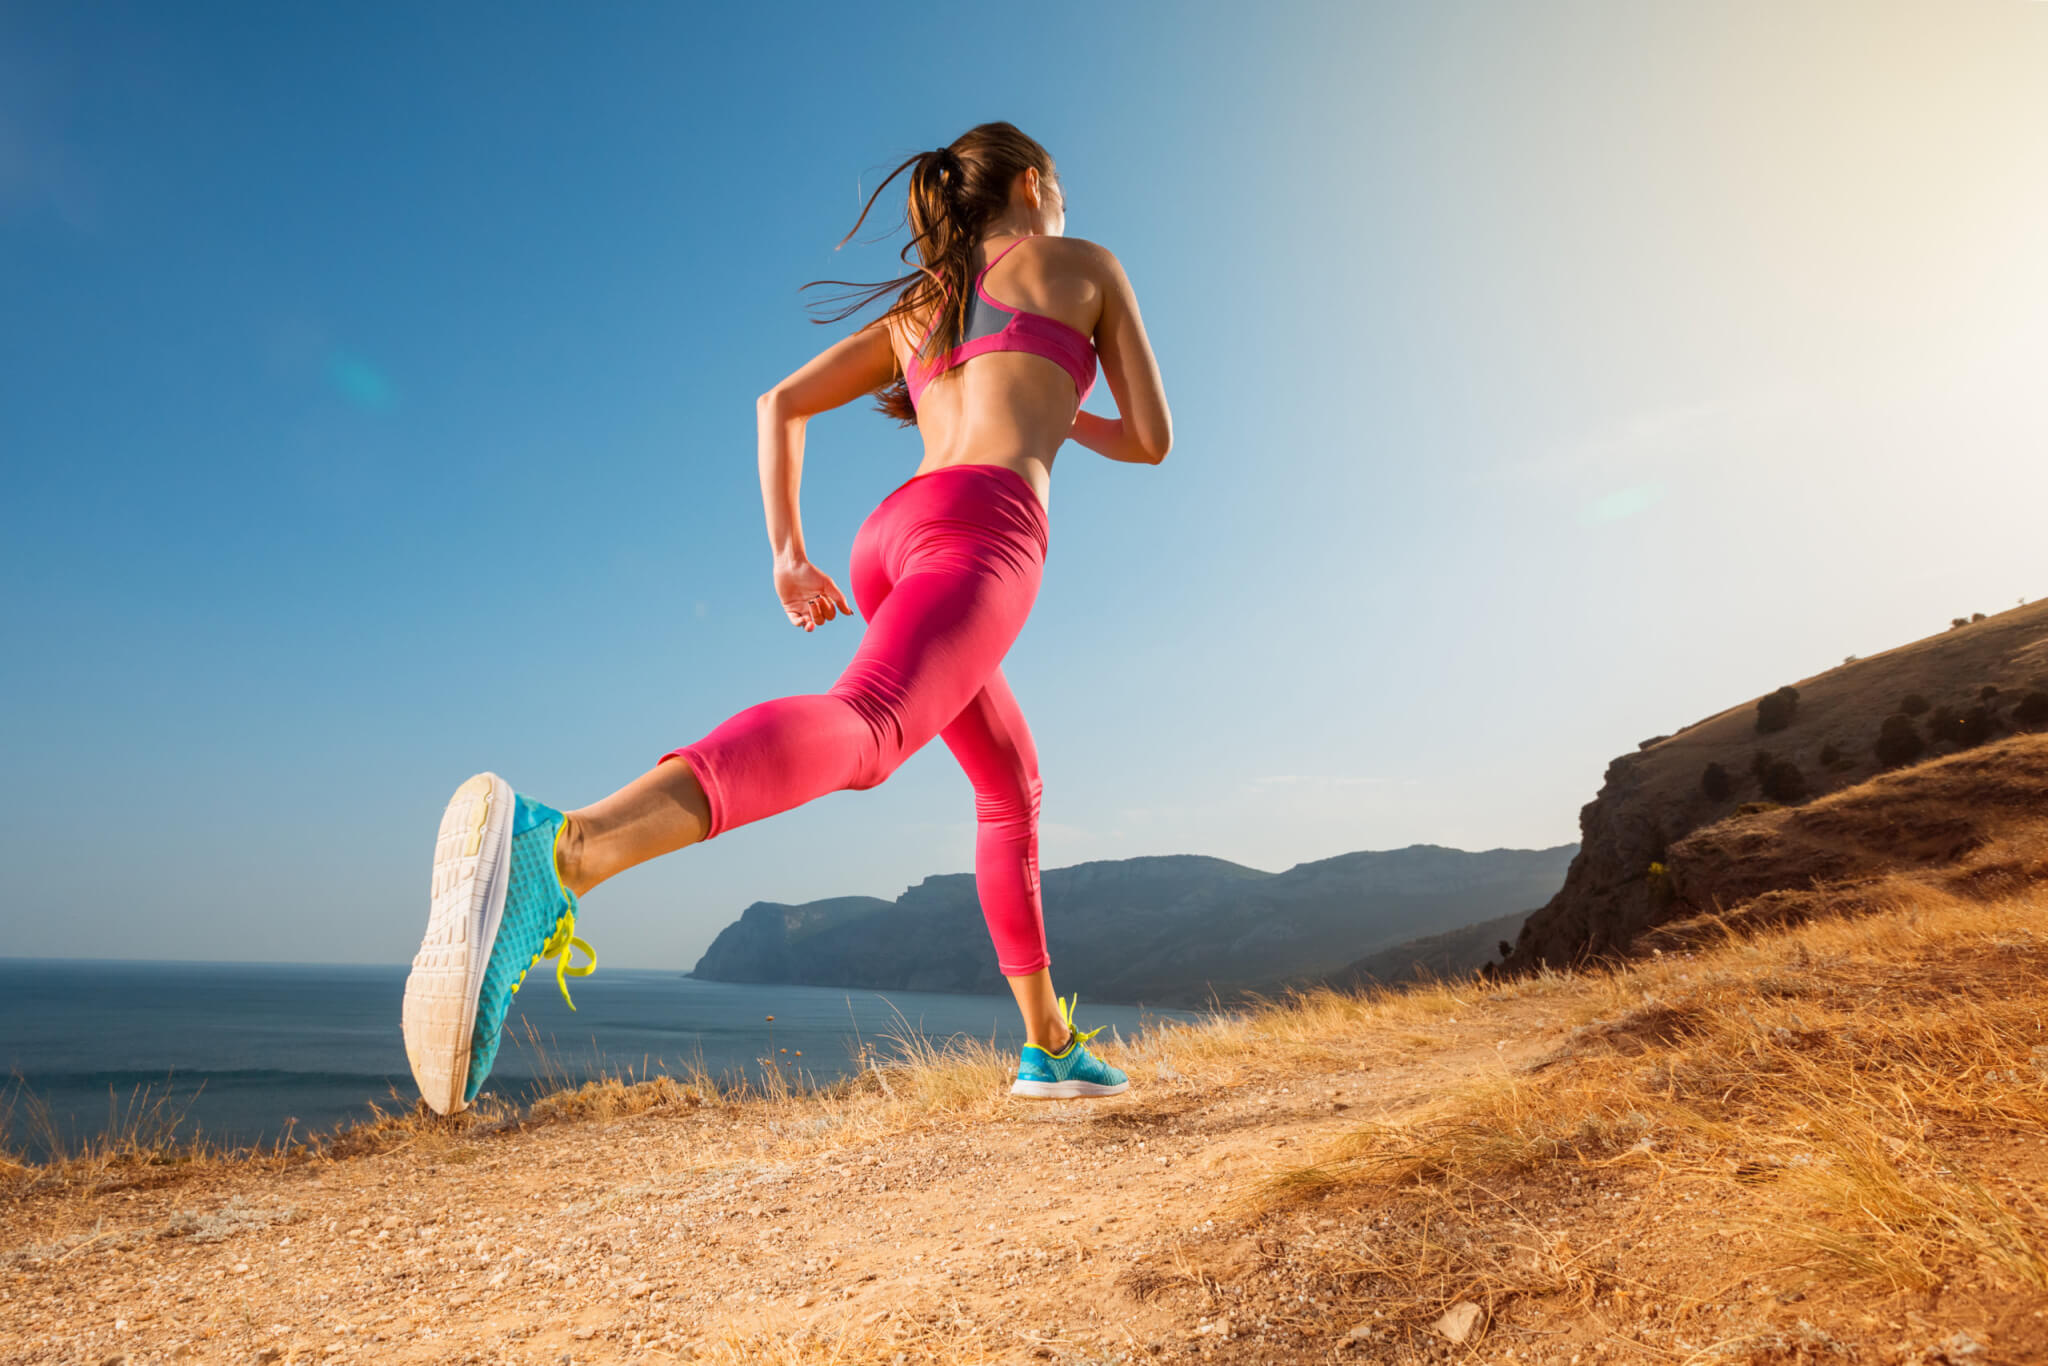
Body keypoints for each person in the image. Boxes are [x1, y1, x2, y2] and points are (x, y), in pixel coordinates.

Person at [401, 121, 1173, 1117]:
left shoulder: (923, 306)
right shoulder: (1082, 265)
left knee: (1010, 780)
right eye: (1058, 191)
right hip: (986, 532)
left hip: (893, 536)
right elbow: (1151, 439)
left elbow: (779, 402)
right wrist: (1060, 402)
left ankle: (1048, 1046)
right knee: (870, 727)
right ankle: (562, 851)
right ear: (1033, 185)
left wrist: (787, 555)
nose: (1063, 207)